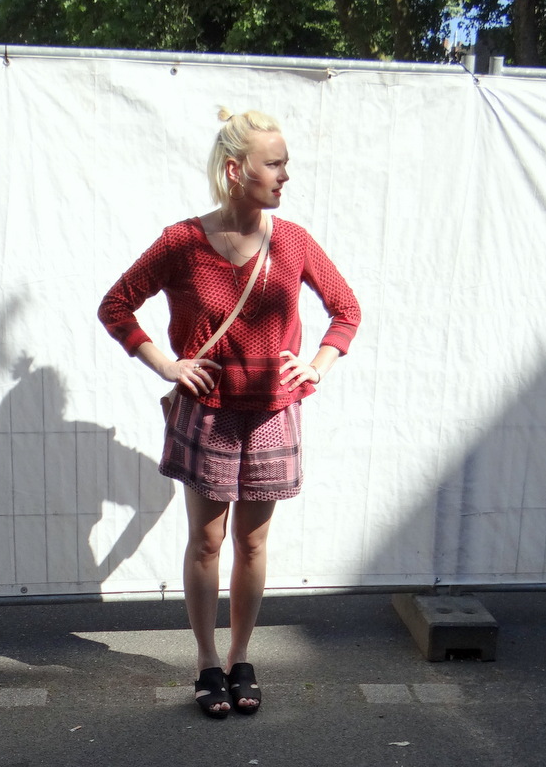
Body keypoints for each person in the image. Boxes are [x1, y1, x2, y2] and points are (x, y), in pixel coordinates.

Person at [98, 108, 360, 718]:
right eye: (275, 164)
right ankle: (206, 661)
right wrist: (167, 365)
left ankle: (242, 658)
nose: (286, 175)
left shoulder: (292, 241)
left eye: (286, 164)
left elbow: (346, 309)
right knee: (206, 543)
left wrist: (317, 365)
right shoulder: (182, 243)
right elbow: (116, 306)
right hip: (209, 412)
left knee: (253, 540)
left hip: (270, 412)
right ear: (237, 170)